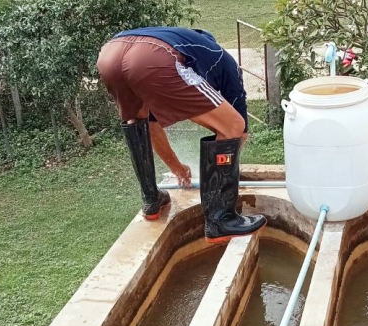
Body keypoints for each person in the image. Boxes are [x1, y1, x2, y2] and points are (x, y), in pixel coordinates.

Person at [96, 27, 266, 244]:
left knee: (137, 118)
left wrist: (177, 167)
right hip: (153, 57)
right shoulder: (222, 59)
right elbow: (238, 133)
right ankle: (220, 220)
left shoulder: (181, 44)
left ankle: (151, 200)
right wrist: (224, 173)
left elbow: (151, 124)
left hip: (110, 54)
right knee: (233, 125)